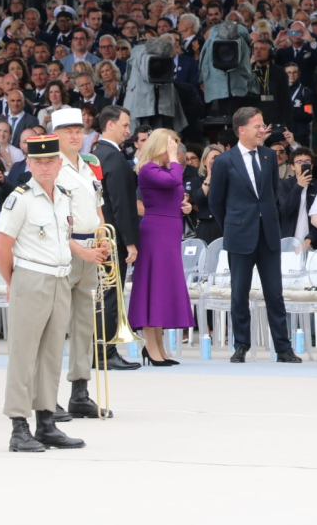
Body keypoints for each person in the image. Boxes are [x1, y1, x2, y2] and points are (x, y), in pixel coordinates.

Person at [0, 134, 85, 452]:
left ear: (60, 163)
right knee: (22, 355)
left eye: (50, 161)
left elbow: (65, 238)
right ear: (28, 164)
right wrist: (13, 283)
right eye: (38, 161)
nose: (45, 167)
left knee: (50, 355)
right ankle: (19, 426)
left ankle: (46, 421)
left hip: (60, 279)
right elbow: (1, 247)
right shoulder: (20, 199)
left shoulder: (63, 196)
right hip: (30, 278)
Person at [208, 107, 302, 364]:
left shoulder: (269, 156)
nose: (263, 130)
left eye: (263, 126)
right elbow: (216, 201)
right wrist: (232, 223)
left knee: (275, 292)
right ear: (242, 130)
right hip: (240, 234)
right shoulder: (225, 161)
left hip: (268, 234)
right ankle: (241, 345)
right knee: (239, 292)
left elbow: (271, 194)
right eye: (258, 126)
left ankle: (283, 348)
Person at [50, 109, 113, 418]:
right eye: (67, 131)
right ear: (55, 134)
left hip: (90, 248)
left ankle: (80, 391)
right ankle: (47, 395)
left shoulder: (90, 166)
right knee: (56, 326)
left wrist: (102, 237)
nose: (75, 136)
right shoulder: (50, 167)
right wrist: (82, 250)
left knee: (84, 325)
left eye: (79, 130)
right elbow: (52, 222)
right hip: (65, 250)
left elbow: (98, 206)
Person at [128, 129, 196, 365]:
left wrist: (182, 206)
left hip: (170, 229)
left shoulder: (166, 169)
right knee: (152, 287)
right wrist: (175, 159)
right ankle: (150, 345)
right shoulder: (148, 168)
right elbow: (173, 181)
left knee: (163, 288)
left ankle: (159, 346)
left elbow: (172, 192)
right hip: (155, 231)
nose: (174, 151)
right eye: (170, 146)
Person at [91, 106, 141, 370]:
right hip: (113, 238)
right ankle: (106, 351)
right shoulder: (114, 158)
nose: (128, 130)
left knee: (102, 294)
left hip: (97, 236)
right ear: (110, 125)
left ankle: (96, 349)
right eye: (124, 125)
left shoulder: (95, 155)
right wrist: (130, 241)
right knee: (111, 294)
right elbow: (122, 204)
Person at [188, 144, 224, 244]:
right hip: (207, 226)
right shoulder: (197, 181)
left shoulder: (229, 179)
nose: (216, 161)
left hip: (226, 225)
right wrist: (209, 177)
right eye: (212, 158)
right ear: (204, 161)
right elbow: (198, 200)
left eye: (219, 158)